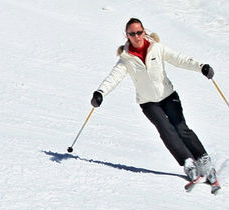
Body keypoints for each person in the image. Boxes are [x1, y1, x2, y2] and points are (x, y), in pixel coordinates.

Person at [91, 18, 216, 183]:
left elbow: (178, 59)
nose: (137, 36)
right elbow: (114, 77)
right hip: (148, 102)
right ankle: (187, 162)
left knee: (180, 127)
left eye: (139, 32)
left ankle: (203, 159)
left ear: (144, 31)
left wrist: (201, 67)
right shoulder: (126, 58)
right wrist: (100, 92)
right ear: (127, 35)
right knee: (166, 129)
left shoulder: (156, 48)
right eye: (132, 33)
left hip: (168, 96)